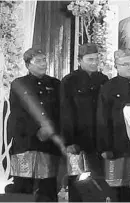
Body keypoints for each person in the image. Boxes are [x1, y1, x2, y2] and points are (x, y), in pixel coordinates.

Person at [6, 48, 62, 201]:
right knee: (22, 188)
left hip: (48, 144)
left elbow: (60, 112)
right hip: (25, 143)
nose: (43, 64)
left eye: (44, 59)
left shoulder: (55, 84)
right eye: (38, 61)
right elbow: (18, 114)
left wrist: (50, 129)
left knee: (48, 188)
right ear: (27, 65)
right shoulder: (19, 84)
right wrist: (37, 130)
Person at [96, 49, 130, 202]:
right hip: (117, 146)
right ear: (116, 66)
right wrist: (105, 147)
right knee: (118, 189)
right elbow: (102, 119)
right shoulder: (108, 87)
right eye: (125, 64)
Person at [60, 43, 109, 202]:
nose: (94, 62)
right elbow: (65, 112)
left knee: (98, 183)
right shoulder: (69, 81)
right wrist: (69, 141)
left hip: (99, 142)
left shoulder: (103, 80)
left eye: (96, 59)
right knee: (78, 183)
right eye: (90, 59)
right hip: (78, 142)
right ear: (79, 60)